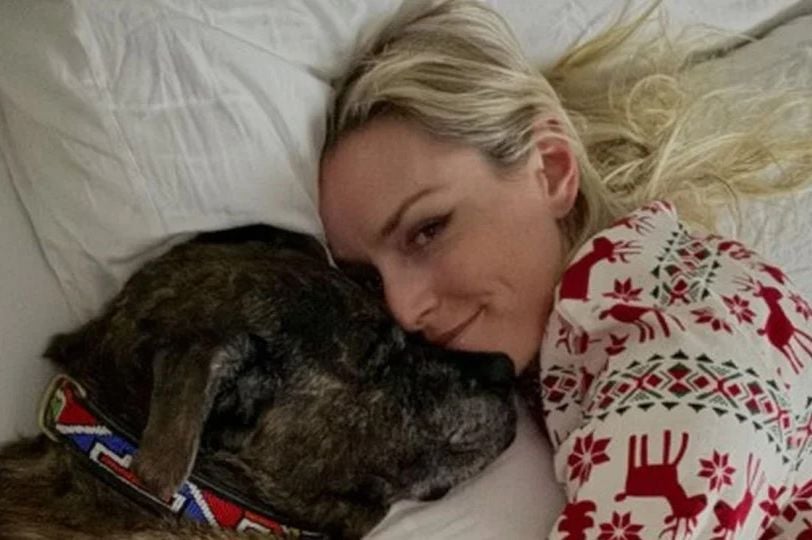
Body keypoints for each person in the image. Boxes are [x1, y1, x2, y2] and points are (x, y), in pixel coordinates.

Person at [318, 0, 812, 537]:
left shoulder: (688, 355)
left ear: (551, 169)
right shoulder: (592, 328)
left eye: (428, 230)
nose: (402, 309)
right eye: (369, 279)